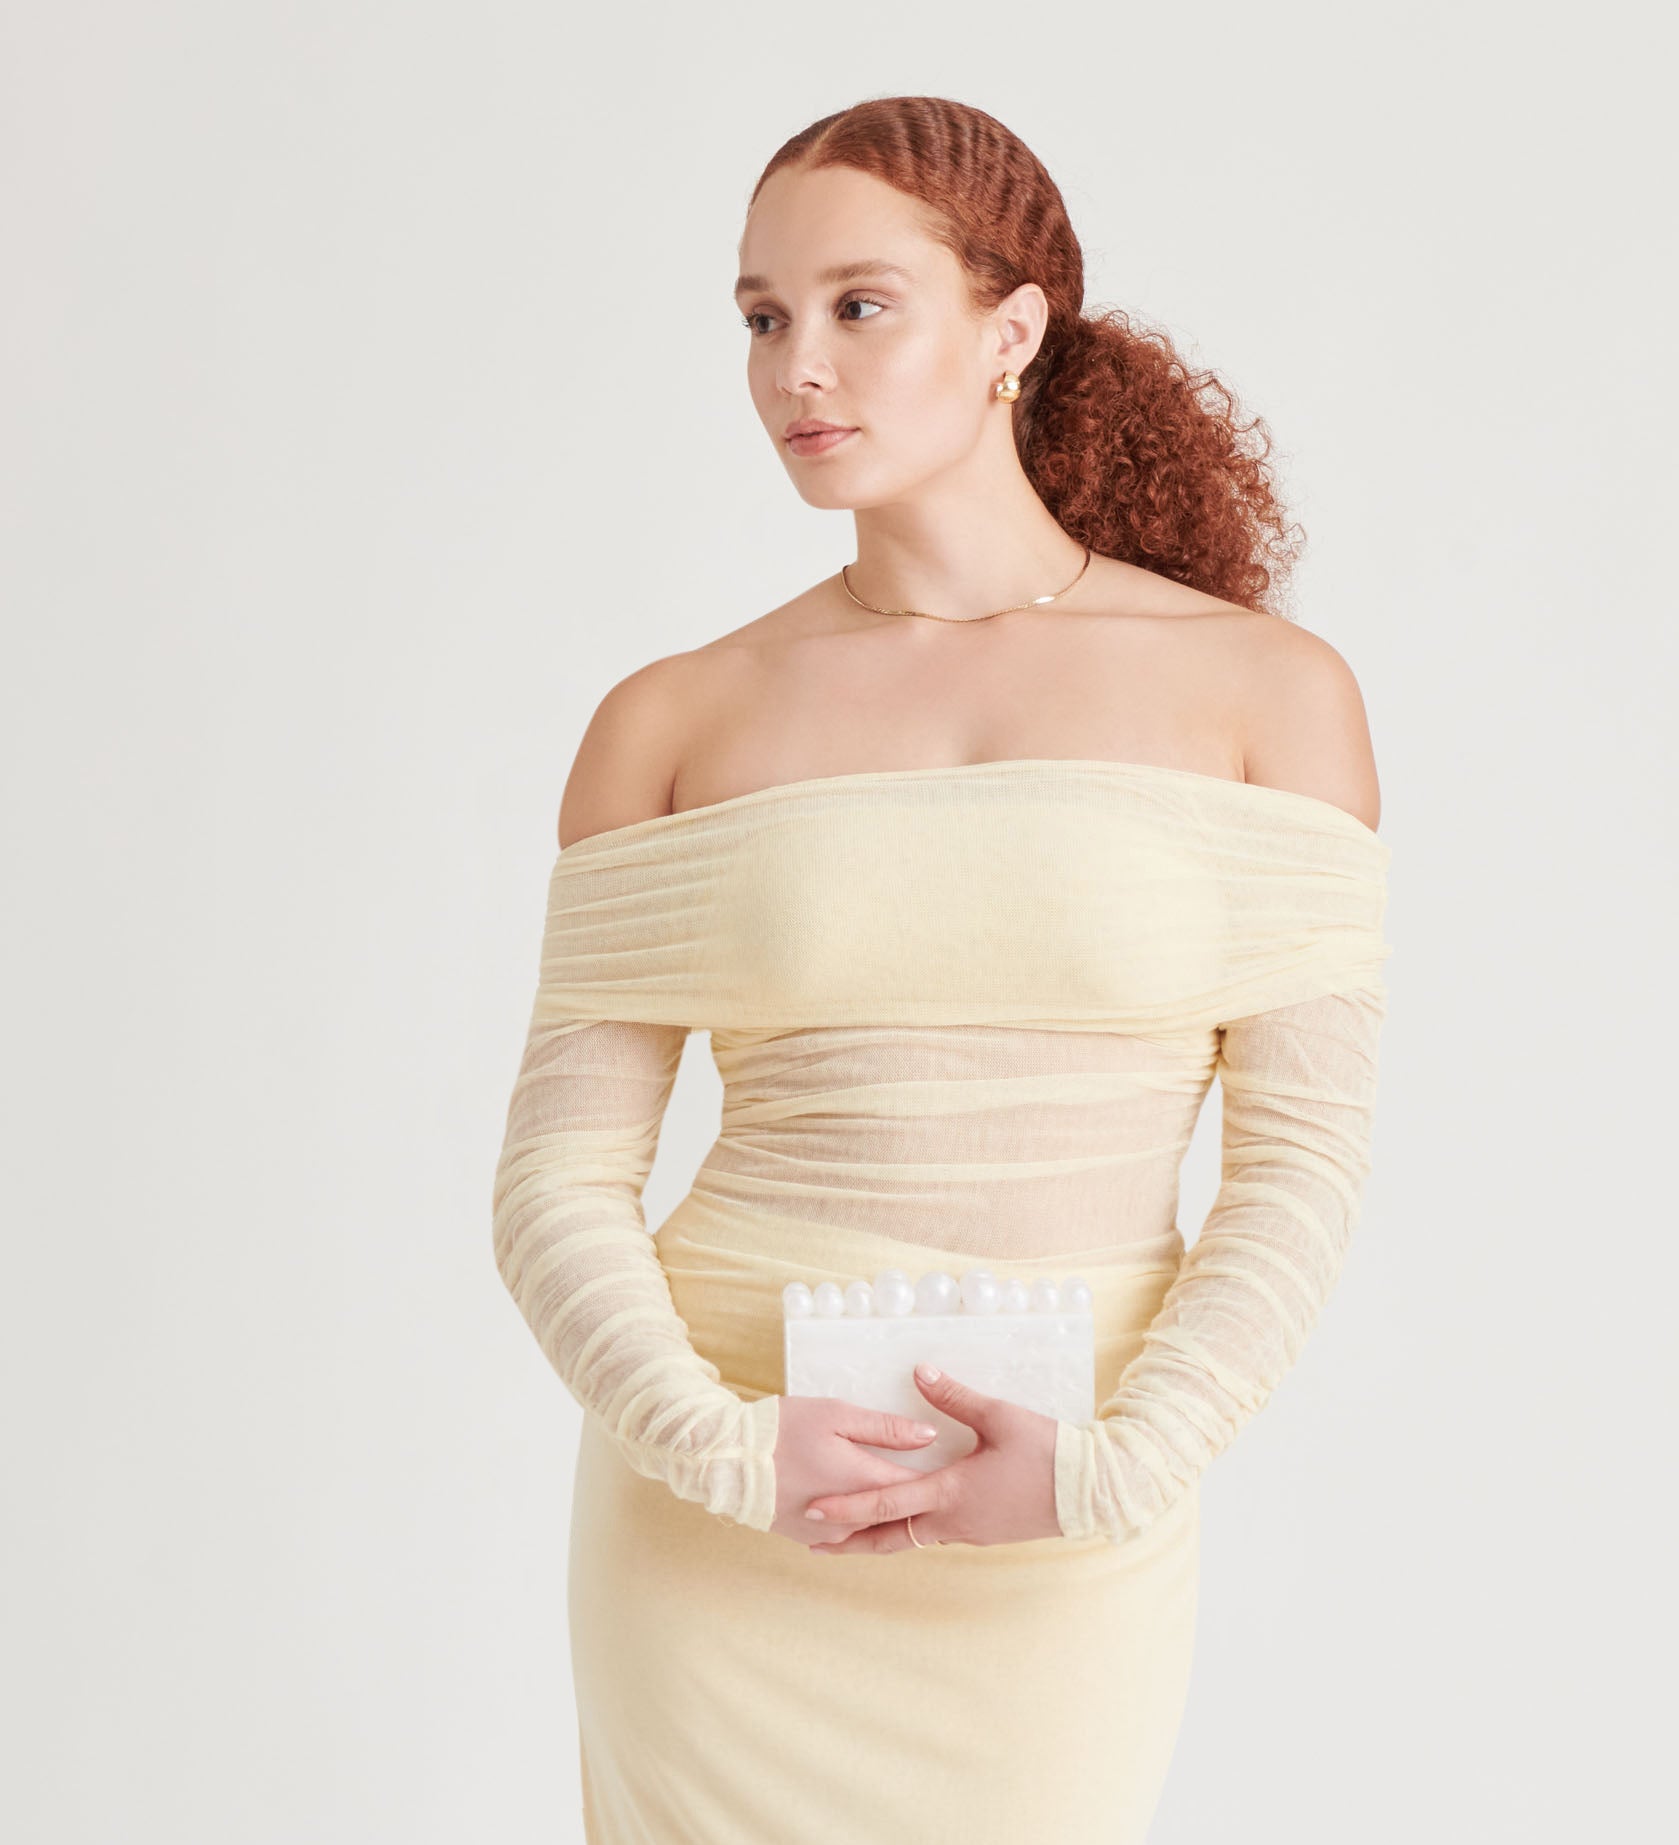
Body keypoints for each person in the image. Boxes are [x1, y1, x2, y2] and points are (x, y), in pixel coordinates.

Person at [491, 95, 1392, 1845]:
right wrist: (722, 1447)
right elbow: (555, 1177)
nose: (796, 368)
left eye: (858, 305)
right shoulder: (672, 719)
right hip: (720, 1523)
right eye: (762, 315)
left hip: (1070, 1520)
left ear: (1011, 331)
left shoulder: (1266, 696)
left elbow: (1302, 1161)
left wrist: (1115, 1468)